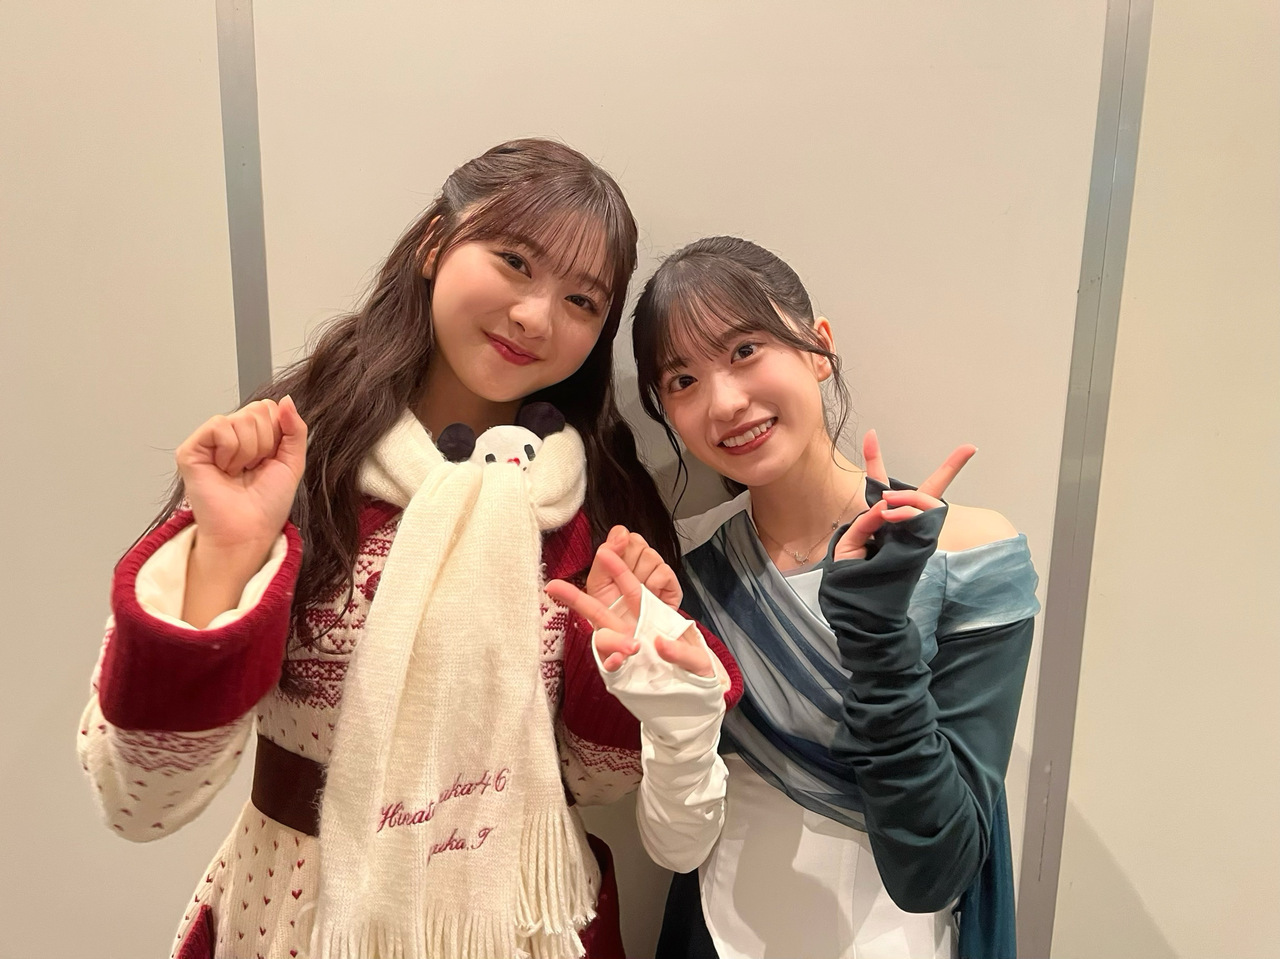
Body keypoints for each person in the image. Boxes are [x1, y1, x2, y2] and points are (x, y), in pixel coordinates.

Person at [76, 139, 740, 959]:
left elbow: (596, 780)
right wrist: (225, 556)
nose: (536, 317)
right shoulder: (297, 456)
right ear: (434, 242)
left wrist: (620, 661)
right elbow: (138, 796)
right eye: (513, 261)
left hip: (527, 921)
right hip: (305, 916)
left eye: (581, 300)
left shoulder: (594, 496)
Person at [629, 236, 1041, 959]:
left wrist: (879, 637)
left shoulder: (969, 551)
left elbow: (936, 867)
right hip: (719, 935)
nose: (725, 402)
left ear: (818, 348)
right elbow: (678, 836)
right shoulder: (687, 569)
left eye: (746, 349)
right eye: (683, 380)